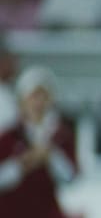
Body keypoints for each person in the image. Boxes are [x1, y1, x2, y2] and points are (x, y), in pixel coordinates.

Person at [0, 65, 77, 218]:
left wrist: (50, 157)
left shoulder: (60, 135)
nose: (39, 103)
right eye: (33, 96)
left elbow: (70, 177)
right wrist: (23, 164)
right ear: (22, 100)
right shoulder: (9, 135)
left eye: (44, 96)